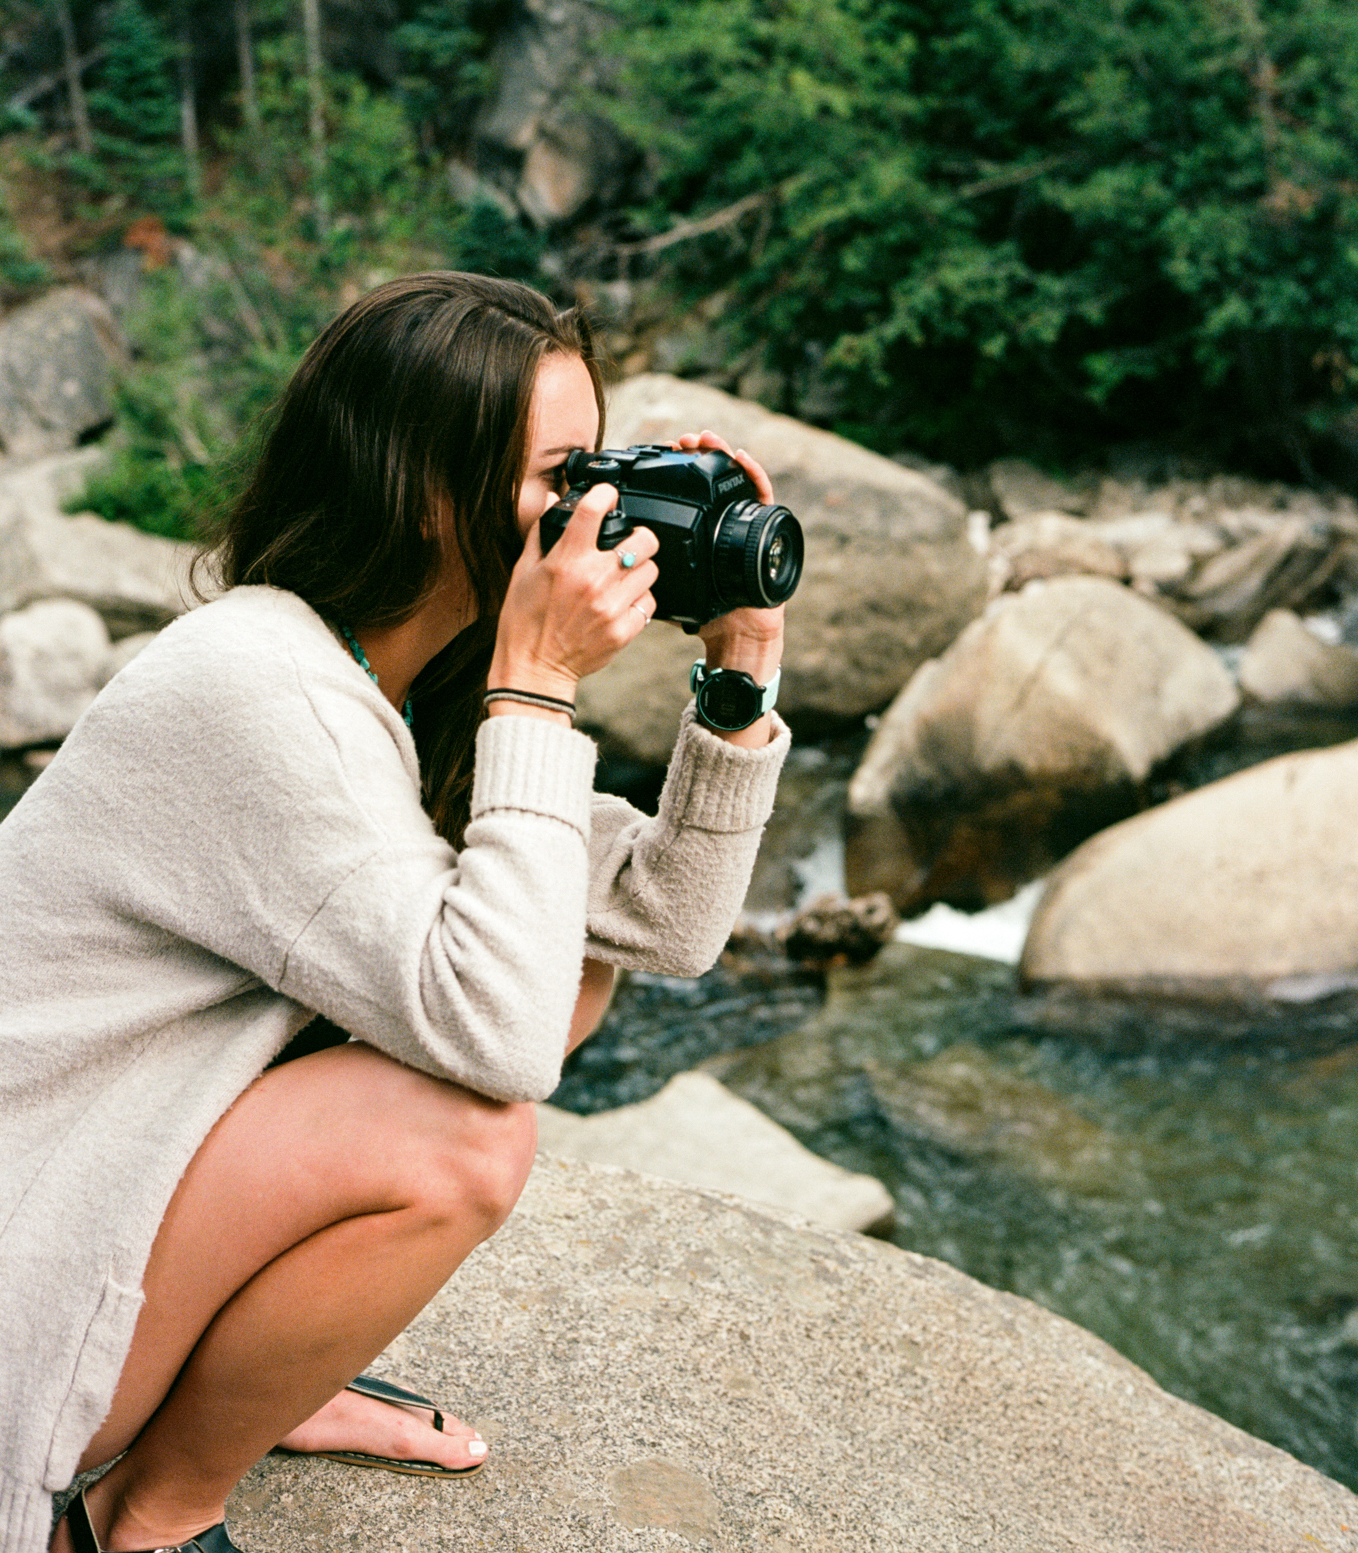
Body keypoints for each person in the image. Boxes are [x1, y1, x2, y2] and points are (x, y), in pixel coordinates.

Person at [0, 272, 789, 1553]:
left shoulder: (415, 678)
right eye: (559, 475)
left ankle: (251, 1377)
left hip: (109, 1193)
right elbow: (502, 1047)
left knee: (558, 952)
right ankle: (151, 1514)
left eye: (599, 466)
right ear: (428, 492)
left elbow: (663, 925)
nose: (594, 513)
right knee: (463, 1138)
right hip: (27, 1264)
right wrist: (541, 680)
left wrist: (738, 653)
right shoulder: (261, 684)